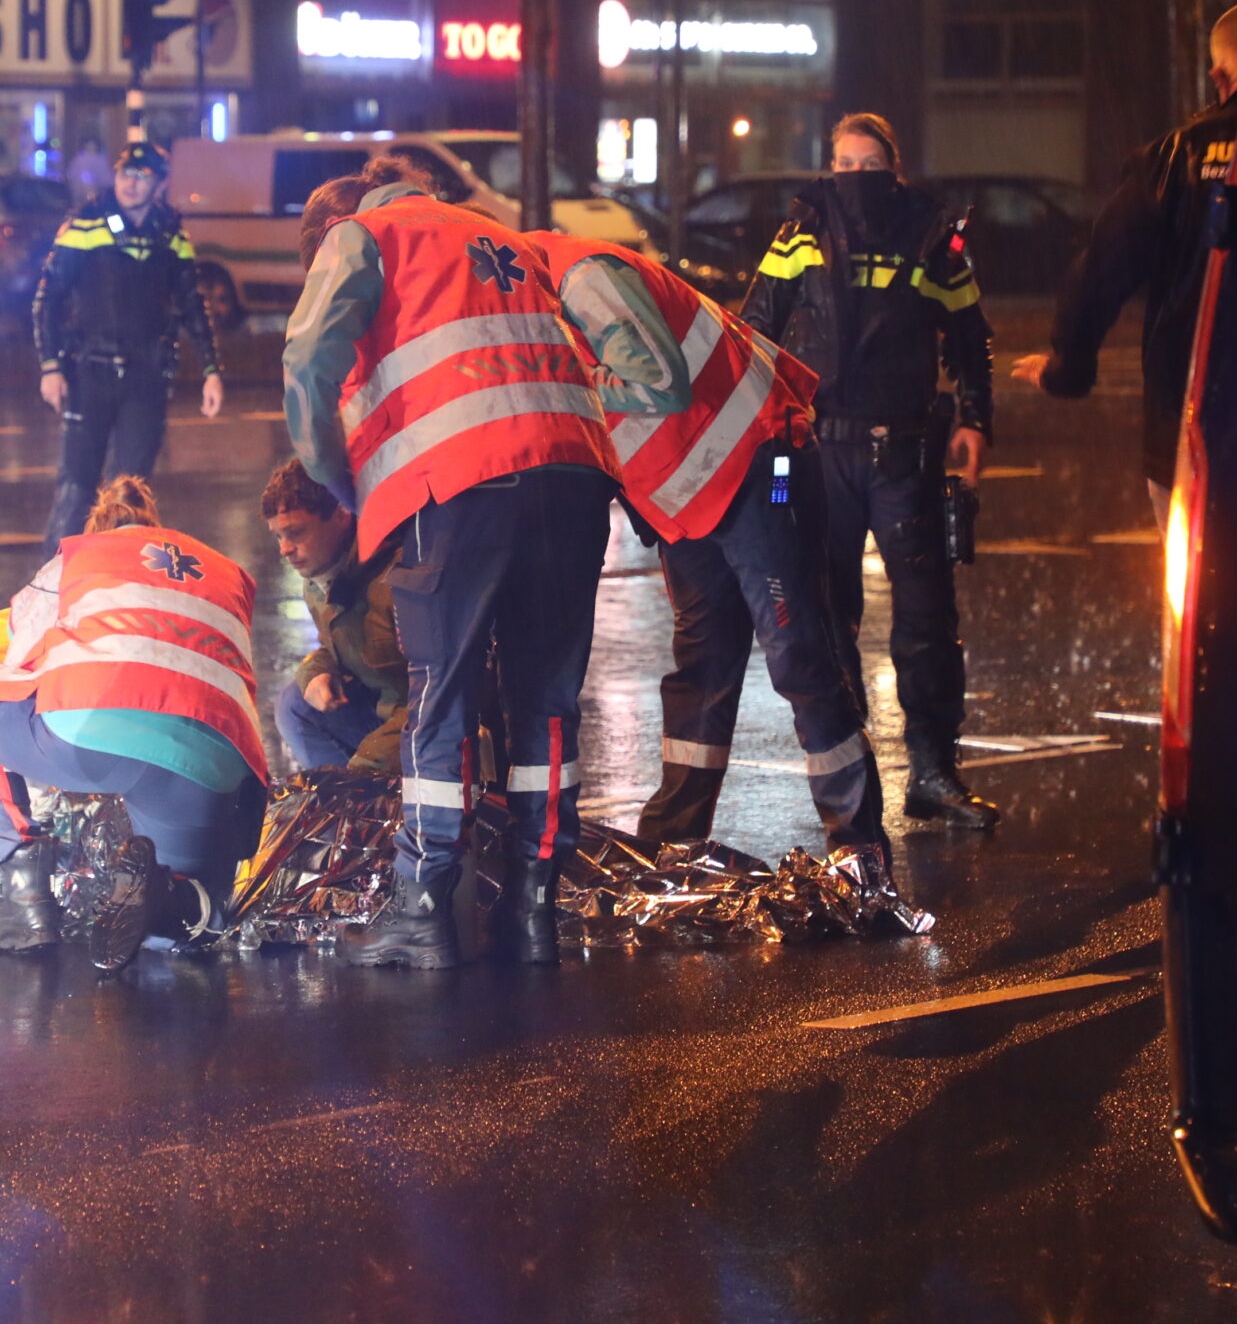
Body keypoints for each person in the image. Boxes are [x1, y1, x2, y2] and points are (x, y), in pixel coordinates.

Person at [282, 157, 619, 969]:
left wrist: (339, 480)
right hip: (575, 471)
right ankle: (535, 904)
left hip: (467, 481)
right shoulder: (497, 234)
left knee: (443, 691)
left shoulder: (363, 236)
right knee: (545, 698)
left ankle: (424, 904)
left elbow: (305, 365)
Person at [527, 228, 891, 863]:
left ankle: (859, 847)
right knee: (703, 666)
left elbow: (658, 385)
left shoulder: (581, 276)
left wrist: (560, 383)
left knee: (798, 652)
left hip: (768, 466)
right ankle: (673, 839)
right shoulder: (541, 295)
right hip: (692, 497)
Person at [742, 113, 1001, 830]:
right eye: (844, 162)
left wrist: (977, 419)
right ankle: (846, 773)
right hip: (819, 448)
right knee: (826, 616)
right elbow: (756, 326)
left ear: (896, 165)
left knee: (925, 616)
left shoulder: (930, 233)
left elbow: (971, 335)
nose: (856, 175)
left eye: (869, 162)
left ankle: (933, 771)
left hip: (903, 451)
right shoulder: (801, 230)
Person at [0, 475, 266, 971]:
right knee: (200, 918)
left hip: (94, 732)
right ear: (155, 527)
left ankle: (20, 893)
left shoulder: (76, 560)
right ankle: (164, 897)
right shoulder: (224, 570)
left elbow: (19, 666)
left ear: (96, 527)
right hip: (209, 755)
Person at [1010, 0, 1237, 527]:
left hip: (1189, 419)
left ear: (1218, 75)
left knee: (1199, 591)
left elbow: (1104, 267)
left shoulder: (1178, 157)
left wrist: (1068, 367)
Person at [32, 141, 224, 551]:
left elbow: (192, 304)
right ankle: (54, 582)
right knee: (76, 486)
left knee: (131, 490)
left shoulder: (170, 235)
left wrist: (211, 370)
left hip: (146, 377)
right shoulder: (85, 224)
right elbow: (48, 299)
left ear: (160, 183)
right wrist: (50, 366)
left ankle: (119, 583)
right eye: (124, 175)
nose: (131, 184)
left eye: (142, 176)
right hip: (90, 372)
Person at [262, 459, 406, 775]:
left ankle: (363, 801)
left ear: (341, 514)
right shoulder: (318, 580)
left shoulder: (398, 581)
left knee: (350, 791)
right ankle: (358, 806)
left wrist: (366, 766)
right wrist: (316, 671)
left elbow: (440, 698)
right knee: (295, 704)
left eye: (295, 532)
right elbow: (343, 646)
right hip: (386, 714)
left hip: (428, 729)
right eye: (277, 536)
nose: (285, 549)